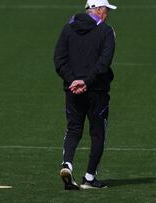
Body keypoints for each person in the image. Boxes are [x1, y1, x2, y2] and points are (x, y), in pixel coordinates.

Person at [53, 0, 117, 190]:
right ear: (98, 9)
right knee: (98, 134)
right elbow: (103, 63)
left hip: (72, 91)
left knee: (73, 129)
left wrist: (73, 80)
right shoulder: (106, 31)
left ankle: (67, 164)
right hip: (97, 91)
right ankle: (89, 178)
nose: (107, 14)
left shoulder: (68, 29)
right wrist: (86, 81)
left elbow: (59, 59)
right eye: (106, 10)